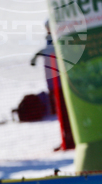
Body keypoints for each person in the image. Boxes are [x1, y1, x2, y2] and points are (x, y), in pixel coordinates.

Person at [31, 21, 75, 151]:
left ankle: (71, 139)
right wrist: (37, 55)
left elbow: (56, 51)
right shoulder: (49, 39)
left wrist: (38, 54)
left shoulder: (60, 37)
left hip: (62, 83)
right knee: (60, 113)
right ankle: (66, 139)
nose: (48, 30)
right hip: (52, 84)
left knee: (66, 112)